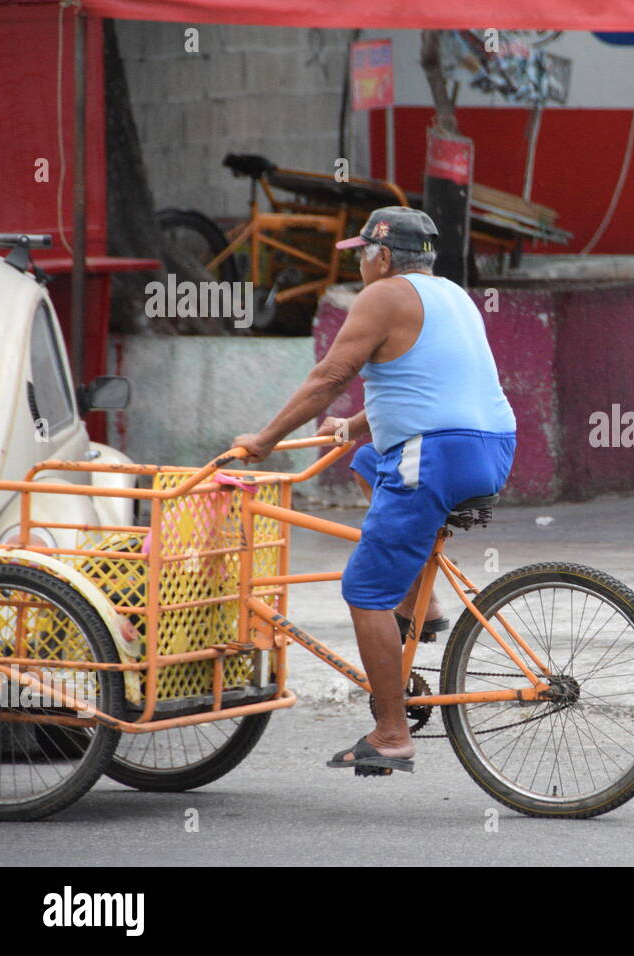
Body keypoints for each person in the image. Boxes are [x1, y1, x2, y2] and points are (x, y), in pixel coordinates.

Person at [231, 206, 516, 775]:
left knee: (363, 588)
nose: (361, 263)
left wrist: (263, 440)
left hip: (434, 454)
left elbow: (329, 377)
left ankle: (390, 734)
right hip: (492, 447)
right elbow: (426, 383)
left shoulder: (382, 296)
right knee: (366, 459)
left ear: (382, 256)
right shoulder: (452, 296)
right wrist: (354, 426)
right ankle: (422, 599)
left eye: (363, 252)